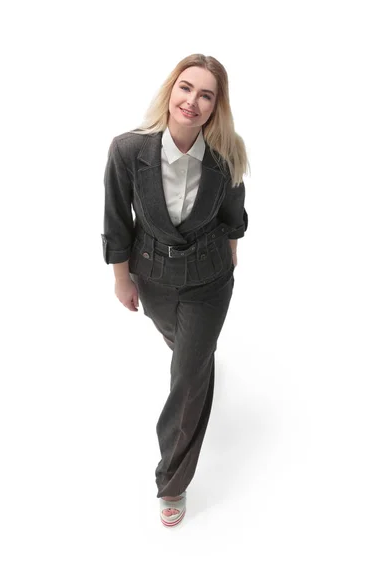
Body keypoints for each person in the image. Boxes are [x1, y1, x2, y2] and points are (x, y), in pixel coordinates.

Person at [101, 53, 249, 527]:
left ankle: (173, 480)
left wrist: (231, 251)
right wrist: (122, 278)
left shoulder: (227, 153)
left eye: (206, 95)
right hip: (154, 278)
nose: (193, 101)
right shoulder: (128, 151)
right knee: (182, 349)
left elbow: (232, 212)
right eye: (186, 88)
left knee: (186, 378)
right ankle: (198, 354)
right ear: (171, 90)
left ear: (215, 106)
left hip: (209, 280)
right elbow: (117, 220)